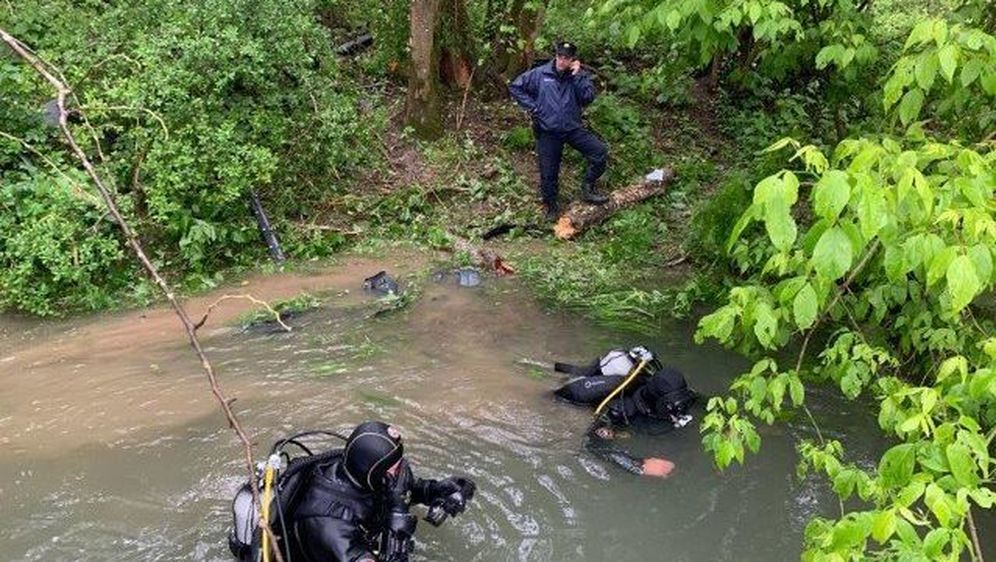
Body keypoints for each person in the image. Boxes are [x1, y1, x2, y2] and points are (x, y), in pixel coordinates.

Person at [229, 421, 476, 562]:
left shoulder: (367, 474)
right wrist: (399, 518)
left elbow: (402, 488)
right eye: (395, 467)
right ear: (372, 469)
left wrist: (439, 490)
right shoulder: (330, 526)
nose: (401, 471)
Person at [552, 346, 697, 478]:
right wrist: (639, 466)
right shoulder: (620, 410)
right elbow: (594, 445)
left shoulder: (678, 398)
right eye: (670, 406)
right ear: (658, 402)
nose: (679, 411)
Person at [508, 40, 609, 221]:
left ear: (573, 60)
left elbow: (587, 98)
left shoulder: (578, 76)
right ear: (556, 56)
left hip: (572, 128)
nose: (562, 61)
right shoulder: (541, 74)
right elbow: (516, 86)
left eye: (567, 58)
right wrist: (533, 108)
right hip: (548, 130)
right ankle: (551, 207)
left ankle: (588, 187)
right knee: (548, 171)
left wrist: (577, 76)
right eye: (560, 57)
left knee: (599, 151)